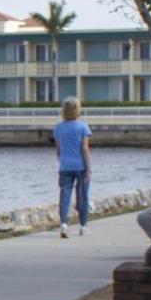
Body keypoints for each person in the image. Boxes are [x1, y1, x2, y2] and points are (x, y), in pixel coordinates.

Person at [51, 96, 91, 238]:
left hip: (65, 166)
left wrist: (61, 161)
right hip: (80, 166)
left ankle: (63, 225)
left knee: (64, 196)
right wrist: (88, 169)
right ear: (78, 110)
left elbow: (58, 148)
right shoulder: (82, 126)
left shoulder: (59, 127)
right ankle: (83, 226)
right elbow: (85, 149)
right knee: (82, 196)